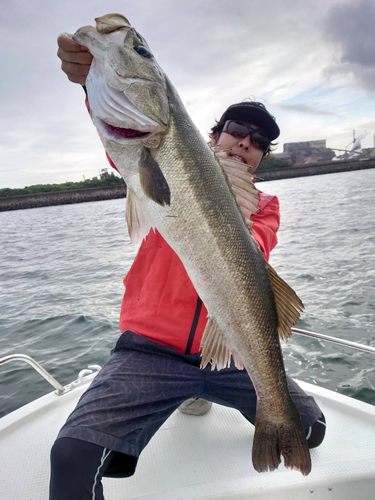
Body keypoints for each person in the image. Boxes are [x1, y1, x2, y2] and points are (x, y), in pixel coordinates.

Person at [50, 34, 326, 500]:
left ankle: (207, 393)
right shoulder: (160, 163)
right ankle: (149, 419)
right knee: (71, 458)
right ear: (215, 133)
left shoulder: (265, 204)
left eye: (258, 142)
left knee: (312, 430)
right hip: (149, 353)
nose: (245, 143)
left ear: (261, 156)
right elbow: (125, 133)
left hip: (229, 356)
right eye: (238, 129)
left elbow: (256, 245)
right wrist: (91, 82)